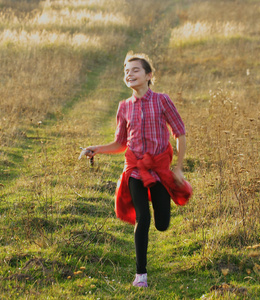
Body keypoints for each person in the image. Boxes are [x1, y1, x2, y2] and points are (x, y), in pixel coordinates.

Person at [84, 52, 192, 288]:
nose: (129, 74)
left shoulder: (162, 100)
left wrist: (179, 167)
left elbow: (180, 133)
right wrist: (97, 149)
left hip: (160, 169)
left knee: (162, 224)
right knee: (142, 217)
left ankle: (162, 216)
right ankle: (140, 275)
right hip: (134, 169)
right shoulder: (123, 107)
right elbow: (120, 143)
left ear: (149, 75)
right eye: (126, 71)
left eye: (135, 70)